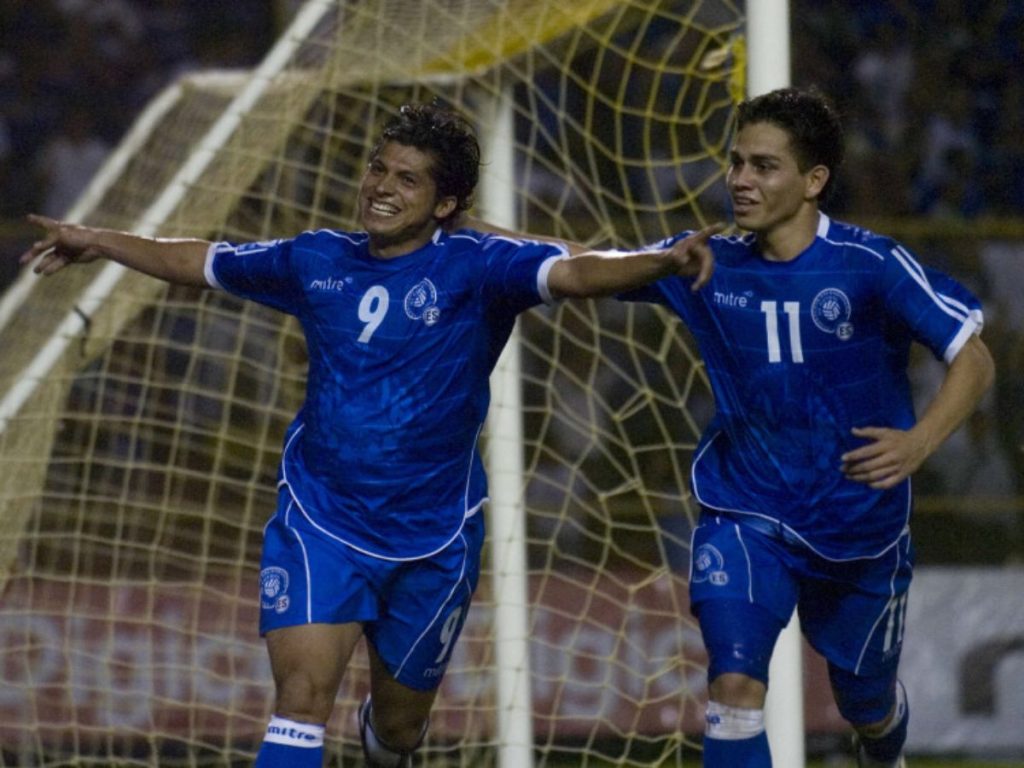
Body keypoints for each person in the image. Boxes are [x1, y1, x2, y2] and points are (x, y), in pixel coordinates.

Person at [19, 103, 719, 768]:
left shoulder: (478, 266)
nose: (380, 188)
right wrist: (101, 242)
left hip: (433, 537)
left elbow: (573, 271)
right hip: (321, 519)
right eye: (378, 169)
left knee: (399, 729)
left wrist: (659, 260)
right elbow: (204, 261)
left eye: (406, 179)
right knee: (300, 700)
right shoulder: (316, 258)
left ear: (445, 203)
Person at [616, 87, 995, 767]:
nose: (739, 180)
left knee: (866, 705)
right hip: (746, 511)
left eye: (763, 166)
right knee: (733, 686)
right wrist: (474, 243)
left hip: (858, 525)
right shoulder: (706, 261)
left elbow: (973, 356)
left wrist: (920, 441)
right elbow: (580, 262)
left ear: (813, 180)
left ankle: (882, 747)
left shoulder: (869, 265)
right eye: (736, 163)